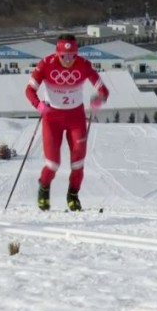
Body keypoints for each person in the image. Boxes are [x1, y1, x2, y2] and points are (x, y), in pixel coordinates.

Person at [25, 34, 110, 211]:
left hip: (75, 118)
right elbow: (29, 90)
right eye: (64, 56)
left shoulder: (83, 65)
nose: (69, 60)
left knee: (78, 161)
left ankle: (73, 195)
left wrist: (99, 98)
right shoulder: (46, 64)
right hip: (52, 118)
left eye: (72, 56)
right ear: (58, 53)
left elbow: (103, 89)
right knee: (53, 163)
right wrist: (39, 105)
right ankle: (44, 187)